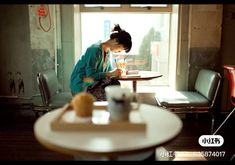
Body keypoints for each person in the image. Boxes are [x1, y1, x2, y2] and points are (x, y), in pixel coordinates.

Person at [70, 24, 132, 101]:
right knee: (112, 94)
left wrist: (117, 73)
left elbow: (108, 73)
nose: (120, 51)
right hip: (81, 86)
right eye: (121, 48)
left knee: (115, 83)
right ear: (116, 41)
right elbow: (91, 76)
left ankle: (113, 109)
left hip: (93, 84)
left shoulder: (108, 52)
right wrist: (111, 73)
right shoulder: (94, 50)